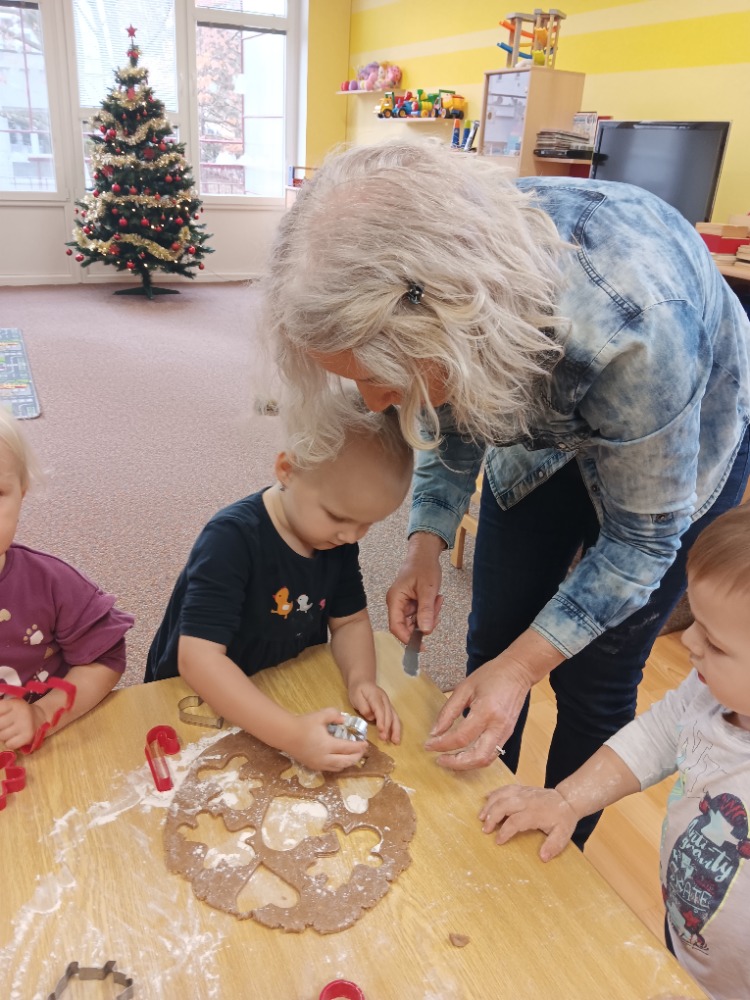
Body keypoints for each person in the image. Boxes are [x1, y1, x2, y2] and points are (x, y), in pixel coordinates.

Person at [264, 139, 750, 844]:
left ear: (446, 328)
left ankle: (554, 843)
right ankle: (486, 811)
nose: (373, 403)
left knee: (596, 677)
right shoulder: (453, 288)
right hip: (538, 423)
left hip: (673, 435)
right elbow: (449, 403)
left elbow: (641, 545)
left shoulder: (640, 321)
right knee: (494, 637)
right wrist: (426, 543)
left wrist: (525, 667)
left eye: (377, 377)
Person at [480, 502, 750, 1000]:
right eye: (696, 621)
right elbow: (658, 735)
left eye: (714, 642)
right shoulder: (708, 693)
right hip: (689, 940)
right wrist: (568, 799)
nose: (689, 640)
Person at [145, 405, 411, 772]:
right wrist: (291, 735)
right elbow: (199, 660)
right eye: (338, 517)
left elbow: (349, 622)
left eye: (367, 524)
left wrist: (361, 679)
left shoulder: (338, 541)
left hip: (277, 678)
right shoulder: (231, 539)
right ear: (287, 469)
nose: (351, 536)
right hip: (198, 695)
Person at [0, 407, 134, 751]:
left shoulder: (52, 584)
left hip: (44, 747)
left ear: (21, 492)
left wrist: (43, 714)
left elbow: (105, 659)